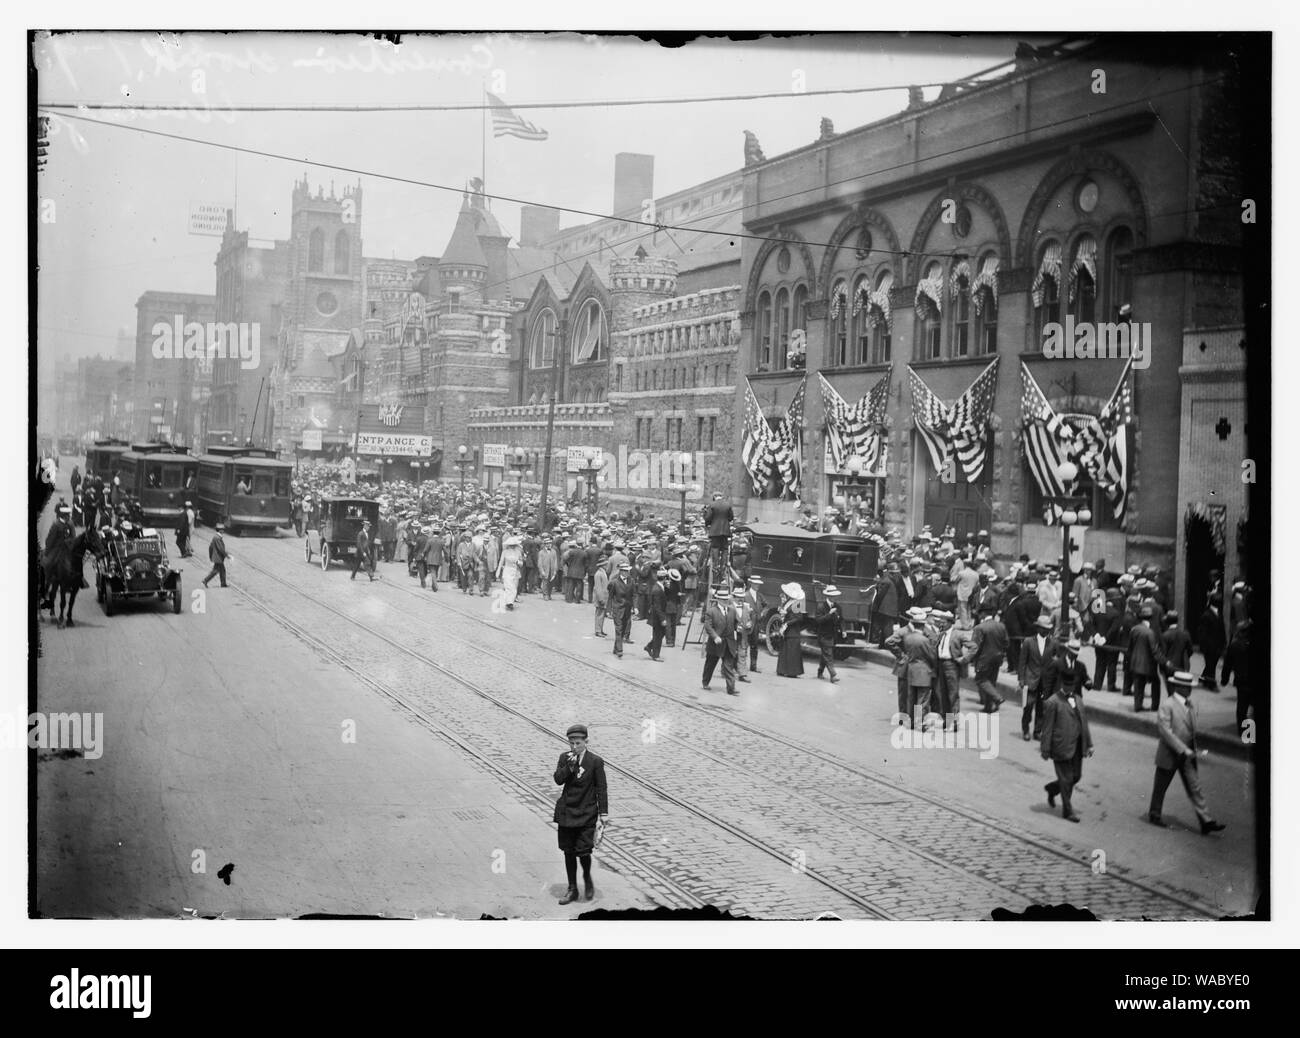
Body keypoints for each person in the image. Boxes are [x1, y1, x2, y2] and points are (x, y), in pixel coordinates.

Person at [1148, 671, 1225, 835]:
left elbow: (1192, 728)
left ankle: (1206, 821)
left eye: (1190, 686)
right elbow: (1165, 731)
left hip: (1188, 754)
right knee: (1161, 786)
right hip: (1170, 752)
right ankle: (1155, 814)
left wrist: (1190, 748)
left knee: (1194, 786)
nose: (1190, 689)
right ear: (1179, 687)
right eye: (1187, 687)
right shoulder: (1167, 705)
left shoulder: (1189, 704)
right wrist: (1182, 749)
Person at [552, 724, 609, 904]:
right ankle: (572, 889)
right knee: (568, 852)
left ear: (586, 742)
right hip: (568, 811)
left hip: (586, 812)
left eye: (577, 743)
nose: (574, 747)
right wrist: (568, 766)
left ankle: (587, 879)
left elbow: (601, 788)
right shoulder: (565, 758)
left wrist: (604, 813)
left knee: (583, 852)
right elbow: (558, 780)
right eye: (571, 743)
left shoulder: (595, 761)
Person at [1039, 650, 1094, 823]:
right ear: (1062, 684)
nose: (1070, 688)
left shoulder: (1078, 699)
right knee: (1066, 779)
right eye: (1067, 685)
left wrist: (1089, 744)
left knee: (1076, 776)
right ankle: (1068, 810)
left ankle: (1052, 789)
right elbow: (1047, 728)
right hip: (1061, 745)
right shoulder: (1053, 702)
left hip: (1078, 745)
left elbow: (1084, 723)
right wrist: (1045, 749)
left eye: (1072, 684)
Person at [886, 606, 938, 728]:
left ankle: (915, 719)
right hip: (904, 667)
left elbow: (932, 642)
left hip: (917, 667)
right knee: (904, 694)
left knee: (913, 695)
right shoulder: (903, 631)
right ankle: (904, 718)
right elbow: (889, 642)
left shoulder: (924, 630)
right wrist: (901, 656)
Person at [963, 605, 1009, 713]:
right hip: (998, 658)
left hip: (984, 659)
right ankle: (988, 706)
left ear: (983, 614)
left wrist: (968, 659)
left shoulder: (980, 628)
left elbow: (975, 646)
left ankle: (997, 698)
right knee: (991, 682)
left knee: (980, 680)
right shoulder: (1001, 626)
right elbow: (1006, 643)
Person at [1019, 614, 1057, 741]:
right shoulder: (1028, 642)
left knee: (1042, 708)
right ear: (1038, 628)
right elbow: (1022, 662)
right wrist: (1021, 679)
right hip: (1031, 679)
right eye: (1044, 628)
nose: (1046, 631)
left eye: (1048, 628)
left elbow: (1055, 661)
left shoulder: (1053, 643)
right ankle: (1025, 729)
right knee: (1028, 706)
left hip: (1045, 681)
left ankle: (1037, 731)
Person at [701, 586, 741, 694]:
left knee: (728, 666)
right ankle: (705, 682)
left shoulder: (732, 611)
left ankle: (731, 688)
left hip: (728, 643)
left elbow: (736, 624)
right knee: (710, 664)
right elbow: (708, 626)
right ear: (718, 599)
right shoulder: (711, 611)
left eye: (727, 599)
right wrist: (715, 636)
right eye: (723, 600)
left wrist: (739, 628)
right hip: (716, 643)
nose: (725, 601)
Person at [1129, 606, 1166, 713]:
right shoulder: (1150, 633)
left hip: (1135, 662)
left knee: (1138, 685)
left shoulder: (1134, 629)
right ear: (1150, 619)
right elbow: (1155, 651)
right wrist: (1164, 661)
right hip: (1147, 665)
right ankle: (1154, 706)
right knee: (1156, 682)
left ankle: (1138, 705)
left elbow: (1130, 648)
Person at [774, 583, 807, 678]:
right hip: (787, 629)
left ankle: (792, 671)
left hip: (793, 629)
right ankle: (782, 669)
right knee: (785, 650)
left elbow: (799, 618)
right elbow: (786, 611)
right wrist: (782, 611)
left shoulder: (798, 603)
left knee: (792, 650)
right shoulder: (789, 600)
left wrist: (787, 623)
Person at [1196, 594, 1226, 691]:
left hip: (1217, 644)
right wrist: (1205, 646)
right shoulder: (1206, 615)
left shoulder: (1218, 613)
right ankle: (1211, 684)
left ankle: (1204, 679)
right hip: (1209, 646)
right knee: (1211, 665)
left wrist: (1223, 642)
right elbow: (1203, 634)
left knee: (1212, 664)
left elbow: (1222, 629)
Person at [813, 586, 843, 683]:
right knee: (828, 655)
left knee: (825, 654)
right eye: (832, 596)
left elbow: (842, 620)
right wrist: (829, 614)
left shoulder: (838, 607)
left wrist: (844, 630)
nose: (834, 598)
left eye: (835, 596)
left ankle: (820, 671)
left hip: (833, 635)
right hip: (823, 635)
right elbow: (818, 620)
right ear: (828, 596)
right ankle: (833, 675)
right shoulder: (821, 606)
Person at [607, 562, 633, 657]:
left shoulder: (631, 581)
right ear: (621, 572)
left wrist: (636, 607)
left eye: (628, 571)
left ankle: (616, 647)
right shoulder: (614, 582)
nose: (627, 573)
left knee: (623, 629)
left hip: (627, 609)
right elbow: (610, 597)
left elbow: (633, 595)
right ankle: (619, 650)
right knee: (618, 628)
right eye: (625, 571)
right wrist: (608, 610)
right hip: (617, 608)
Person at [738, 576, 763, 675]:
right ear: (751, 584)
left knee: (755, 645)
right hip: (746, 624)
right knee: (743, 645)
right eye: (756, 584)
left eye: (759, 584)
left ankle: (753, 666)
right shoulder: (745, 595)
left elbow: (766, 605)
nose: (758, 586)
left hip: (756, 624)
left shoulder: (760, 595)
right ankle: (741, 666)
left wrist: (762, 614)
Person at [643, 568, 668, 662]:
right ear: (664, 578)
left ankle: (649, 646)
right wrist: (662, 619)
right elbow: (657, 606)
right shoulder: (657, 589)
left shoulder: (659, 587)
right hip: (657, 616)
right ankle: (656, 655)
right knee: (658, 635)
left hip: (657, 615)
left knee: (661, 634)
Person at [497, 534, 522, 609]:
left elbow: (521, 562)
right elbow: (501, 562)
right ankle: (509, 602)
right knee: (508, 587)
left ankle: (510, 601)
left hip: (515, 571)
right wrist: (498, 571)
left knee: (514, 588)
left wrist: (519, 562)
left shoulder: (518, 552)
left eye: (513, 545)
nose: (512, 546)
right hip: (507, 570)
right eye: (510, 545)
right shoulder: (505, 552)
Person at [202, 523, 230, 588]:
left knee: (222, 570)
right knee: (215, 571)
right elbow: (221, 549)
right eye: (223, 529)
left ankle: (223, 584)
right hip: (218, 557)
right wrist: (227, 555)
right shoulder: (217, 538)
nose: (223, 530)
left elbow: (211, 547)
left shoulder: (216, 537)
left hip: (217, 557)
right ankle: (205, 580)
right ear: (220, 530)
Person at [593, 556, 609, 637]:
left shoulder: (602, 573)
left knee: (602, 615)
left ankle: (600, 629)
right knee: (599, 615)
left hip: (603, 597)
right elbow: (598, 588)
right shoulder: (599, 574)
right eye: (606, 564)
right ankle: (598, 630)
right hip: (601, 598)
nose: (607, 566)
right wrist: (601, 599)